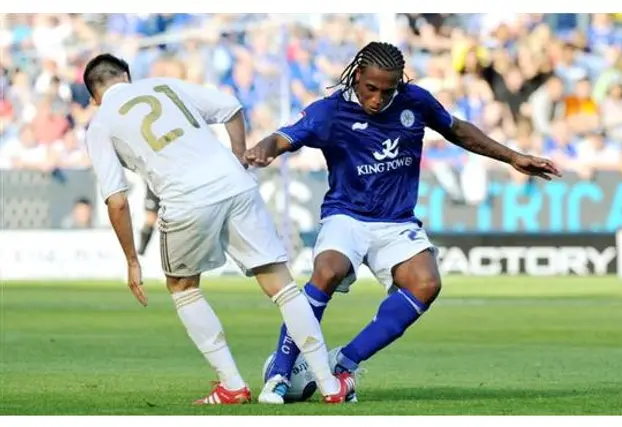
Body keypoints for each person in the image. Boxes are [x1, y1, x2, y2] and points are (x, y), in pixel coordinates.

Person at [245, 41, 562, 404]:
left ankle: (343, 363)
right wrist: (262, 151)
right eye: (371, 88)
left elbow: (457, 130)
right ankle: (280, 373)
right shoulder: (329, 112)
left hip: (396, 221)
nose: (379, 98)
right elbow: (284, 137)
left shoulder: (415, 101)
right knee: (328, 271)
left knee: (426, 283)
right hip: (346, 214)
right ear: (358, 75)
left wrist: (513, 157)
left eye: (388, 89)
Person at [82, 53, 355, 405]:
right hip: (235, 184)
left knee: (182, 285)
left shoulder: (101, 123)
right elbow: (230, 108)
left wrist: (132, 260)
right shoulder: (164, 86)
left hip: (186, 199)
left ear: (93, 96)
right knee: (281, 284)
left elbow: (117, 200)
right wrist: (239, 157)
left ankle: (232, 385)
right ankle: (330, 386)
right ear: (127, 77)